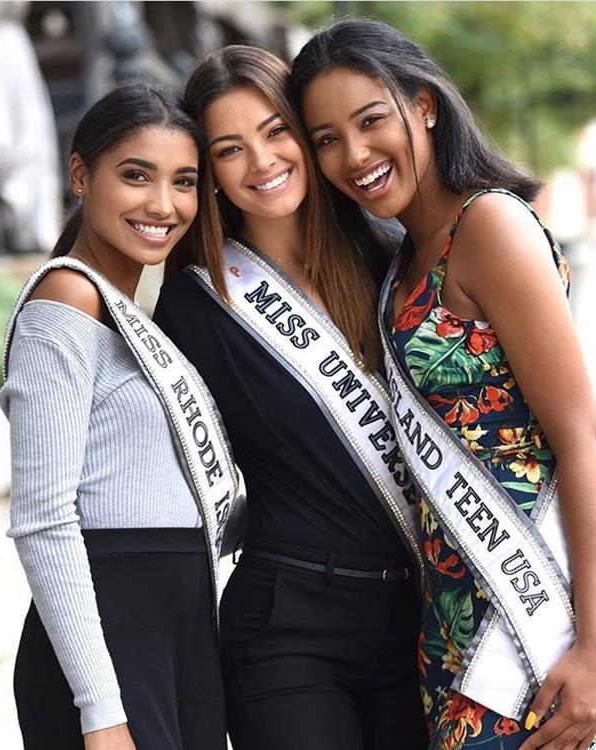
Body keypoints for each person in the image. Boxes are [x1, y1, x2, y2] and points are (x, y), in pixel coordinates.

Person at [289, 17, 596, 750]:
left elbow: (582, 441)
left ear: (424, 104)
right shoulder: (400, 262)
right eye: (327, 139)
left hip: (538, 637)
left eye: (371, 121)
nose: (355, 155)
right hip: (452, 644)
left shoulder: (488, 226)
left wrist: (593, 649)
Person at [154, 45, 427, 750]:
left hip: (421, 619)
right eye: (229, 149)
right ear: (209, 172)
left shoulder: (390, 253)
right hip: (288, 626)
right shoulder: (195, 306)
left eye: (276, 131)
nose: (262, 161)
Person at [0, 83, 241, 750]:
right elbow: (43, 519)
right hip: (110, 636)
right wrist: (101, 711)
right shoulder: (66, 300)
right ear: (81, 174)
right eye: (136, 175)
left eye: (185, 182)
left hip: (176, 627)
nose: (163, 205)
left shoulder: (126, 312)